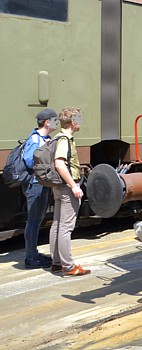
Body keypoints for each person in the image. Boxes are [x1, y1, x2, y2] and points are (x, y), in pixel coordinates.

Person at [49, 107, 90, 277]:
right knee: (65, 227)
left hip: (58, 187)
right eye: (79, 118)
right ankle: (68, 266)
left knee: (57, 224)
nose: (81, 121)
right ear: (73, 122)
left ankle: (57, 263)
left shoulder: (57, 137)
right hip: (66, 187)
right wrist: (74, 185)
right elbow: (59, 163)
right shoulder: (65, 139)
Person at [20, 109, 58, 269]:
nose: (57, 123)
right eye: (55, 120)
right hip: (35, 184)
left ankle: (33, 253)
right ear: (47, 122)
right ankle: (31, 257)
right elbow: (29, 161)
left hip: (41, 183)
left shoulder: (44, 138)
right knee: (34, 221)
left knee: (37, 220)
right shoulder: (36, 139)